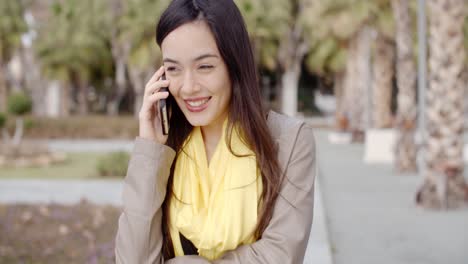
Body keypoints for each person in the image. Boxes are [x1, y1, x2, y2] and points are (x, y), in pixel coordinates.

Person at [115, 0, 316, 263]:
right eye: (173, 69)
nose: (187, 87)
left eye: (205, 66)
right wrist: (149, 152)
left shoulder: (288, 141)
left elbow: (280, 255)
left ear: (234, 65)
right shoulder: (167, 146)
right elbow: (132, 259)